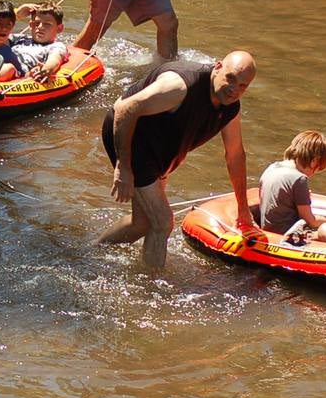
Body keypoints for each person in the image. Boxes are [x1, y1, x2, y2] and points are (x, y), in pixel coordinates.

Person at [99, 51, 260, 269]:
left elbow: (235, 155)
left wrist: (243, 207)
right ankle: (150, 288)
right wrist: (123, 166)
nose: (234, 89)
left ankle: (95, 250)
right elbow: (124, 109)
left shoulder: (231, 107)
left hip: (160, 146)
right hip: (131, 136)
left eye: (243, 86)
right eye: (230, 78)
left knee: (142, 223)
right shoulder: (180, 87)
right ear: (218, 66)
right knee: (162, 222)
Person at [258, 130, 326, 246]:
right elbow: (311, 221)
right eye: (318, 168)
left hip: (269, 230)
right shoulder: (299, 179)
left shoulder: (272, 168)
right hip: (287, 234)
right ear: (314, 161)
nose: (313, 174)